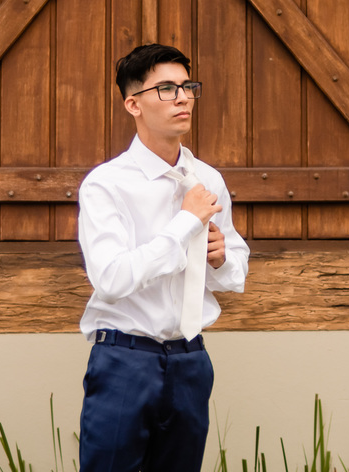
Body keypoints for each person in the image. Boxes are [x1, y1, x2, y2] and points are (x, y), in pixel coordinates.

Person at [77, 43, 249, 472]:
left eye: (187, 87)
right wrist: (185, 223)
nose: (183, 98)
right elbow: (112, 279)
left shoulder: (207, 179)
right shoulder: (107, 184)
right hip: (124, 360)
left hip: (191, 361)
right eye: (167, 88)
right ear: (132, 103)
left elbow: (235, 272)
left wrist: (220, 258)